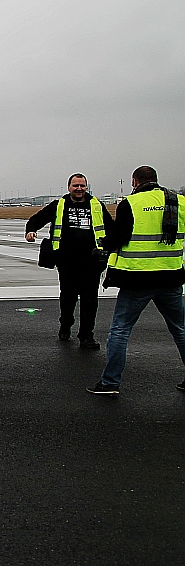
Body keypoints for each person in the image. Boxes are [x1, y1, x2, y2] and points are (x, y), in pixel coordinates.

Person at [87, 166, 185, 395]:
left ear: (135, 182)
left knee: (120, 330)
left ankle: (110, 383)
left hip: (138, 278)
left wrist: (103, 246)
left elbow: (119, 237)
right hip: (171, 276)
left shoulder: (131, 203)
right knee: (180, 329)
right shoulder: (179, 201)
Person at [26, 173, 115, 348]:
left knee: (90, 300)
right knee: (68, 297)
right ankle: (66, 324)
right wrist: (31, 230)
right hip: (66, 261)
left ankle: (86, 335)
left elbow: (111, 228)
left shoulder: (96, 205)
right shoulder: (58, 205)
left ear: (86, 187)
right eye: (76, 186)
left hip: (91, 261)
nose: (79, 189)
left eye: (82, 186)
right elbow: (36, 219)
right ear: (69, 188)